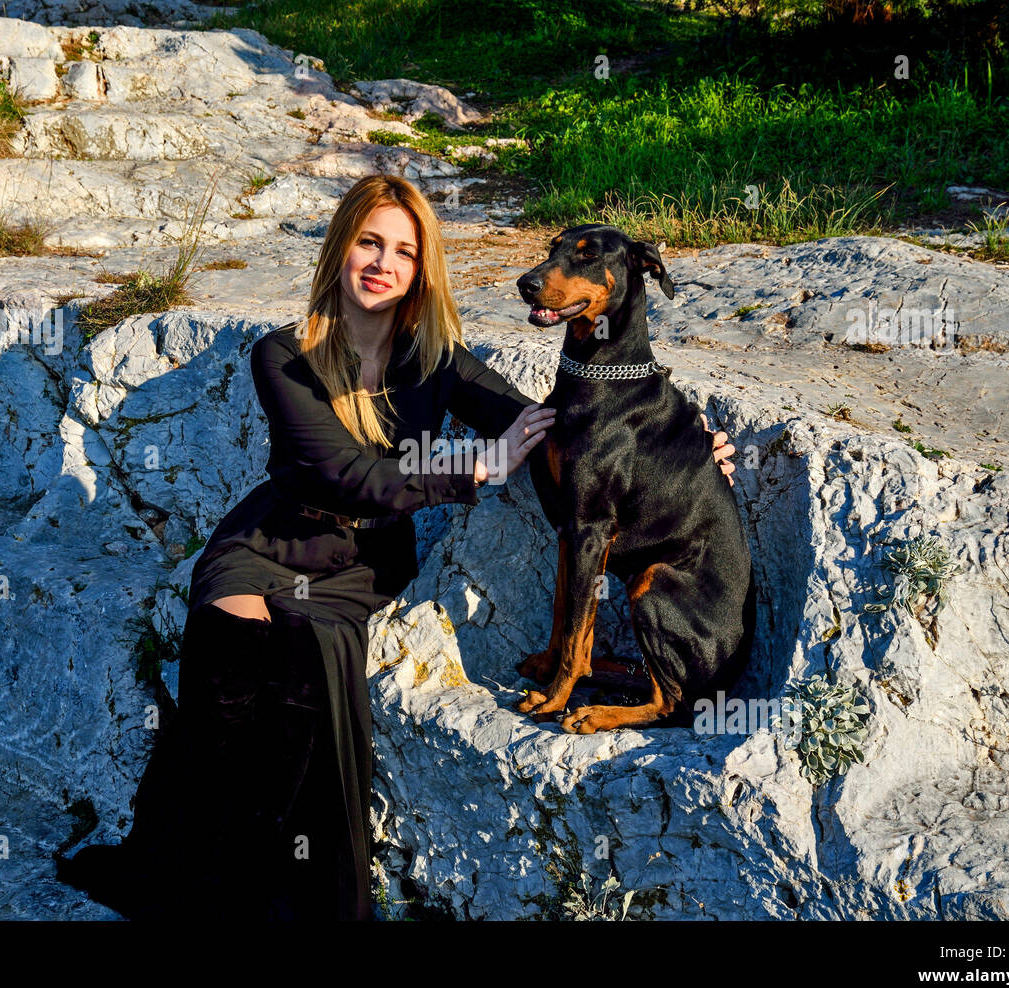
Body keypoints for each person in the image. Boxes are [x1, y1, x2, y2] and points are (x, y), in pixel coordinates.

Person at [54, 174, 738, 921]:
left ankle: (285, 895)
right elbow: (345, 476)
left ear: (421, 270)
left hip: (358, 566)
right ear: (341, 249)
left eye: (404, 252)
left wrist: (683, 452)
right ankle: (196, 878)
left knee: (301, 666)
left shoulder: (437, 358)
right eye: (369, 242)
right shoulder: (283, 356)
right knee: (233, 645)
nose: (383, 262)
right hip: (269, 543)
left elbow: (560, 426)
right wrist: (467, 467)